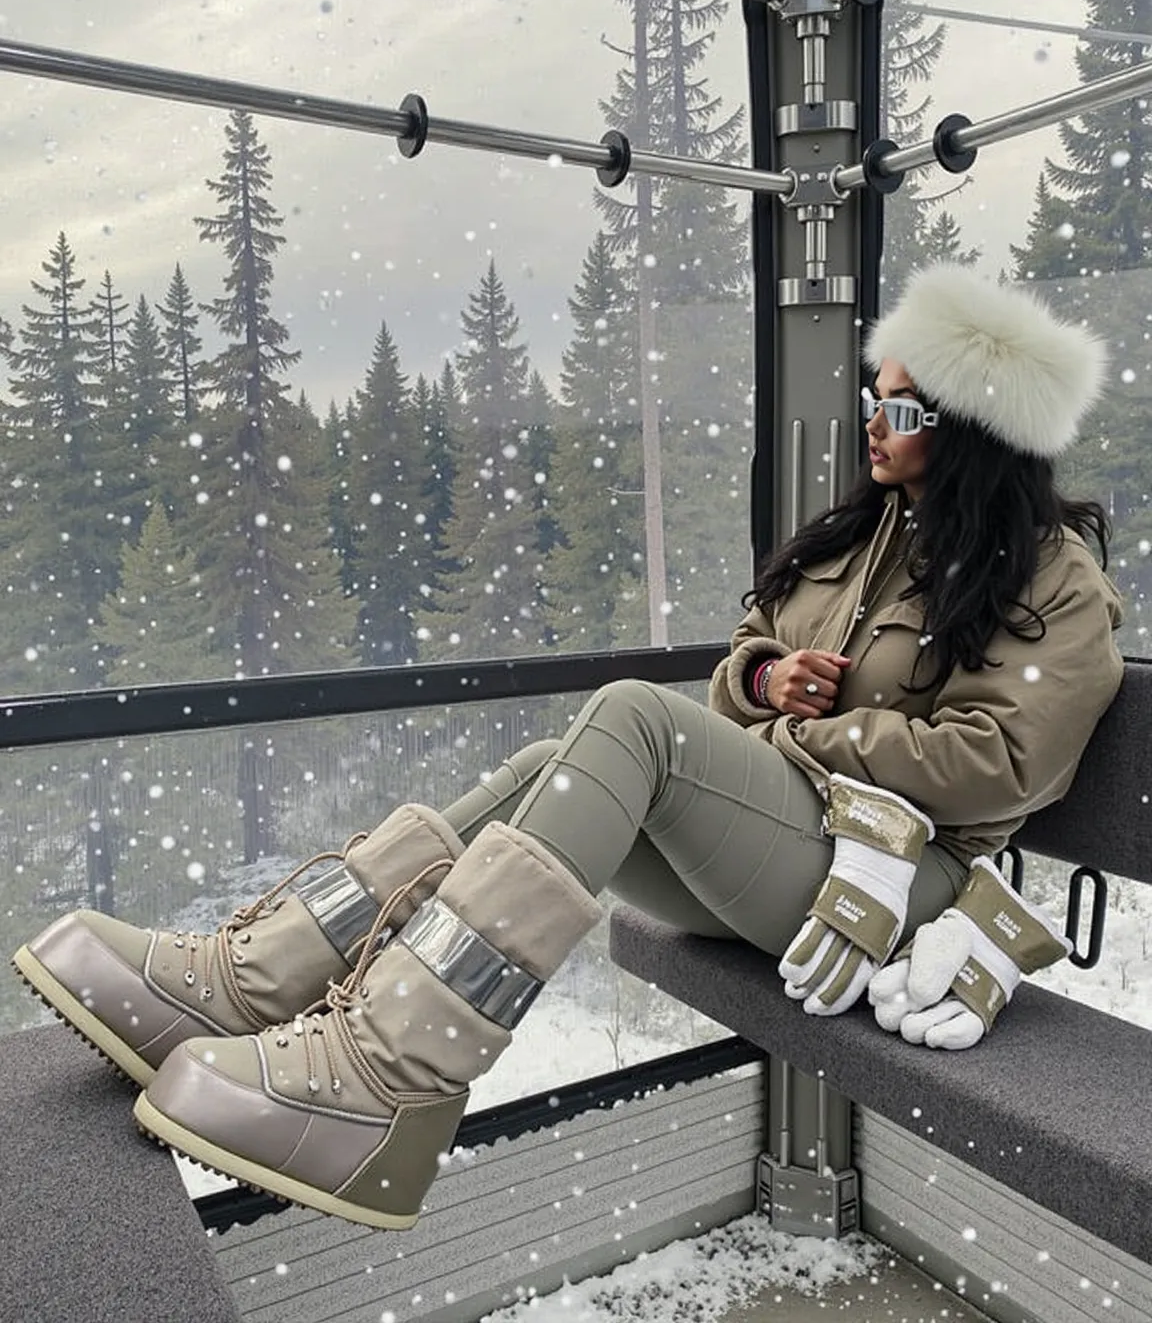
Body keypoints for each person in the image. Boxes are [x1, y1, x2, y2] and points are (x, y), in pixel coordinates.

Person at [13, 263, 1123, 1232]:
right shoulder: (862, 537)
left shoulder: (1052, 581)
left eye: (907, 412)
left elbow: (1001, 766)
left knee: (627, 717)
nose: (877, 426)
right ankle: (259, 984)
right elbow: (744, 667)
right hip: (788, 841)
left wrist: (810, 730)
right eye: (874, 402)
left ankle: (389, 1075)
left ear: (976, 430)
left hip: (891, 888)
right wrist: (762, 680)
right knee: (554, 766)